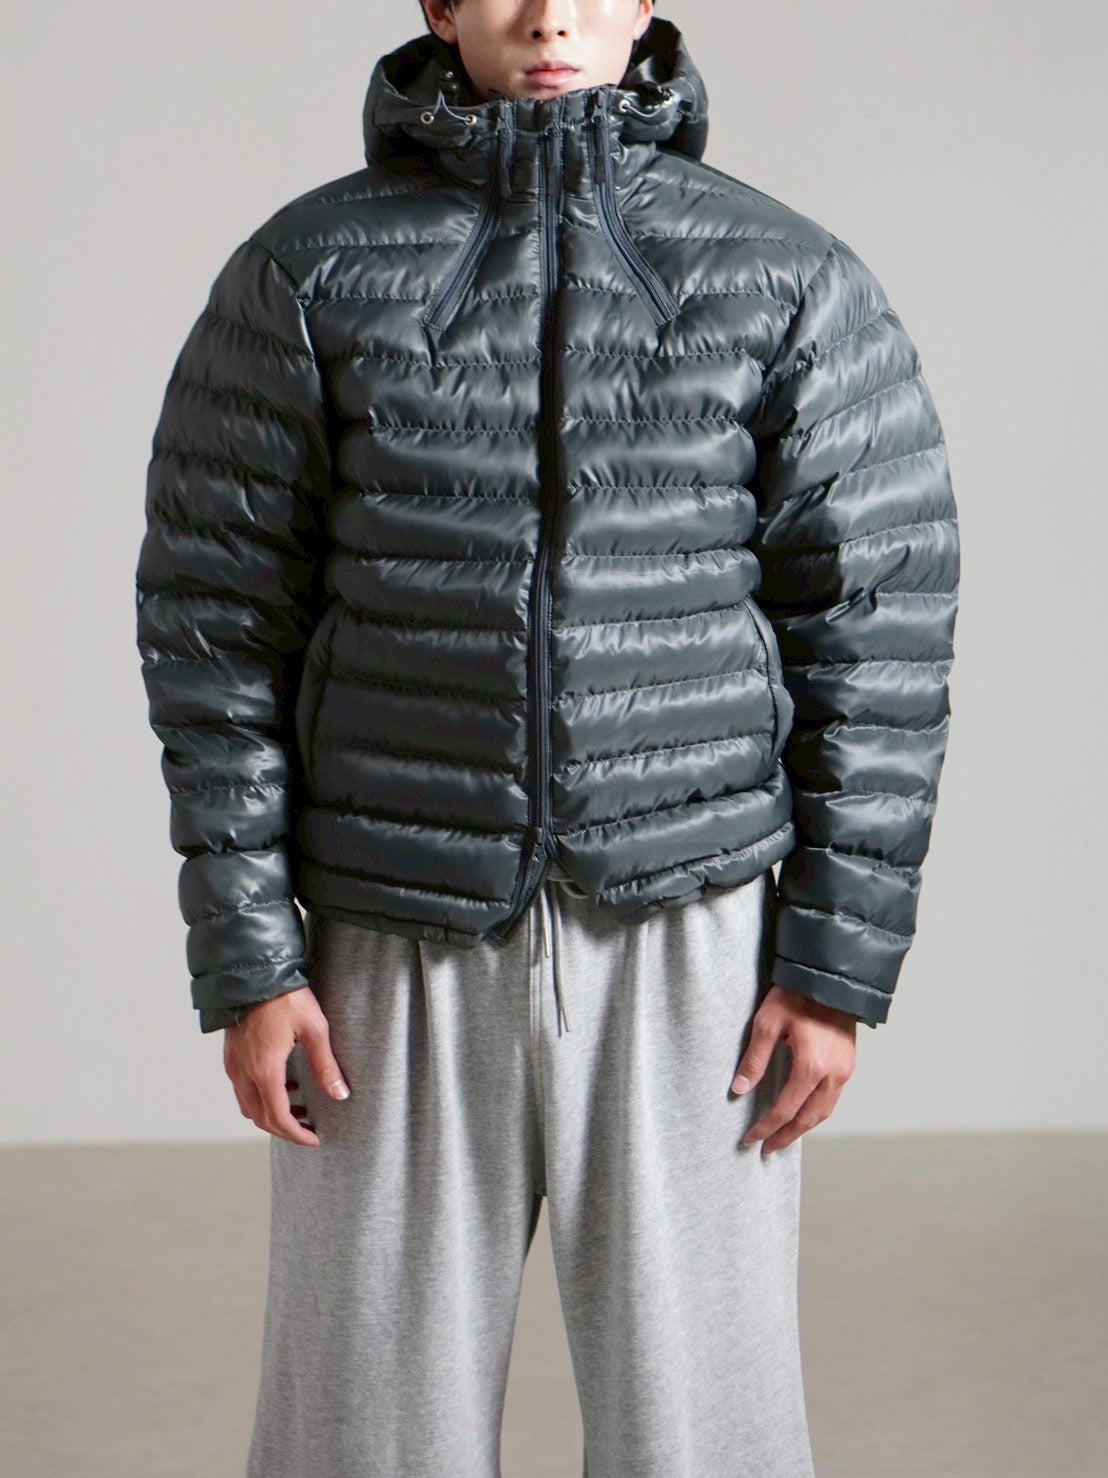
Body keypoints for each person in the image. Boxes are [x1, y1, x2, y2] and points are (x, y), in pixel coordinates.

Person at [135, 2, 960, 1473]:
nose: (551, 15)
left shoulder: (788, 277)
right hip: (386, 938)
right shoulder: (304, 275)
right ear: (440, 5)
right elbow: (214, 627)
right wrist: (252, 958)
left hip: (693, 940)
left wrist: (833, 968)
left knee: (702, 1440)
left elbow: (877, 632)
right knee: (362, 1438)